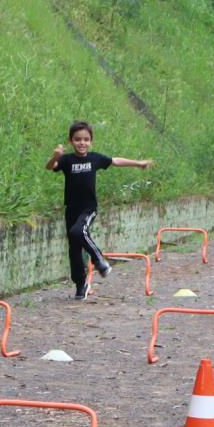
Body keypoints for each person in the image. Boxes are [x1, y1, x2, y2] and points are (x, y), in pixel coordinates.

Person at [47, 122, 152, 300]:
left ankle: (99, 260)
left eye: (86, 140)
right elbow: (50, 167)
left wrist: (138, 163)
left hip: (89, 208)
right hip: (71, 209)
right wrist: (55, 156)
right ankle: (81, 285)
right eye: (78, 139)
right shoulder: (67, 160)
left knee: (78, 231)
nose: (82, 143)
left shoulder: (95, 159)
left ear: (91, 142)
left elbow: (115, 160)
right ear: (71, 141)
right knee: (74, 250)